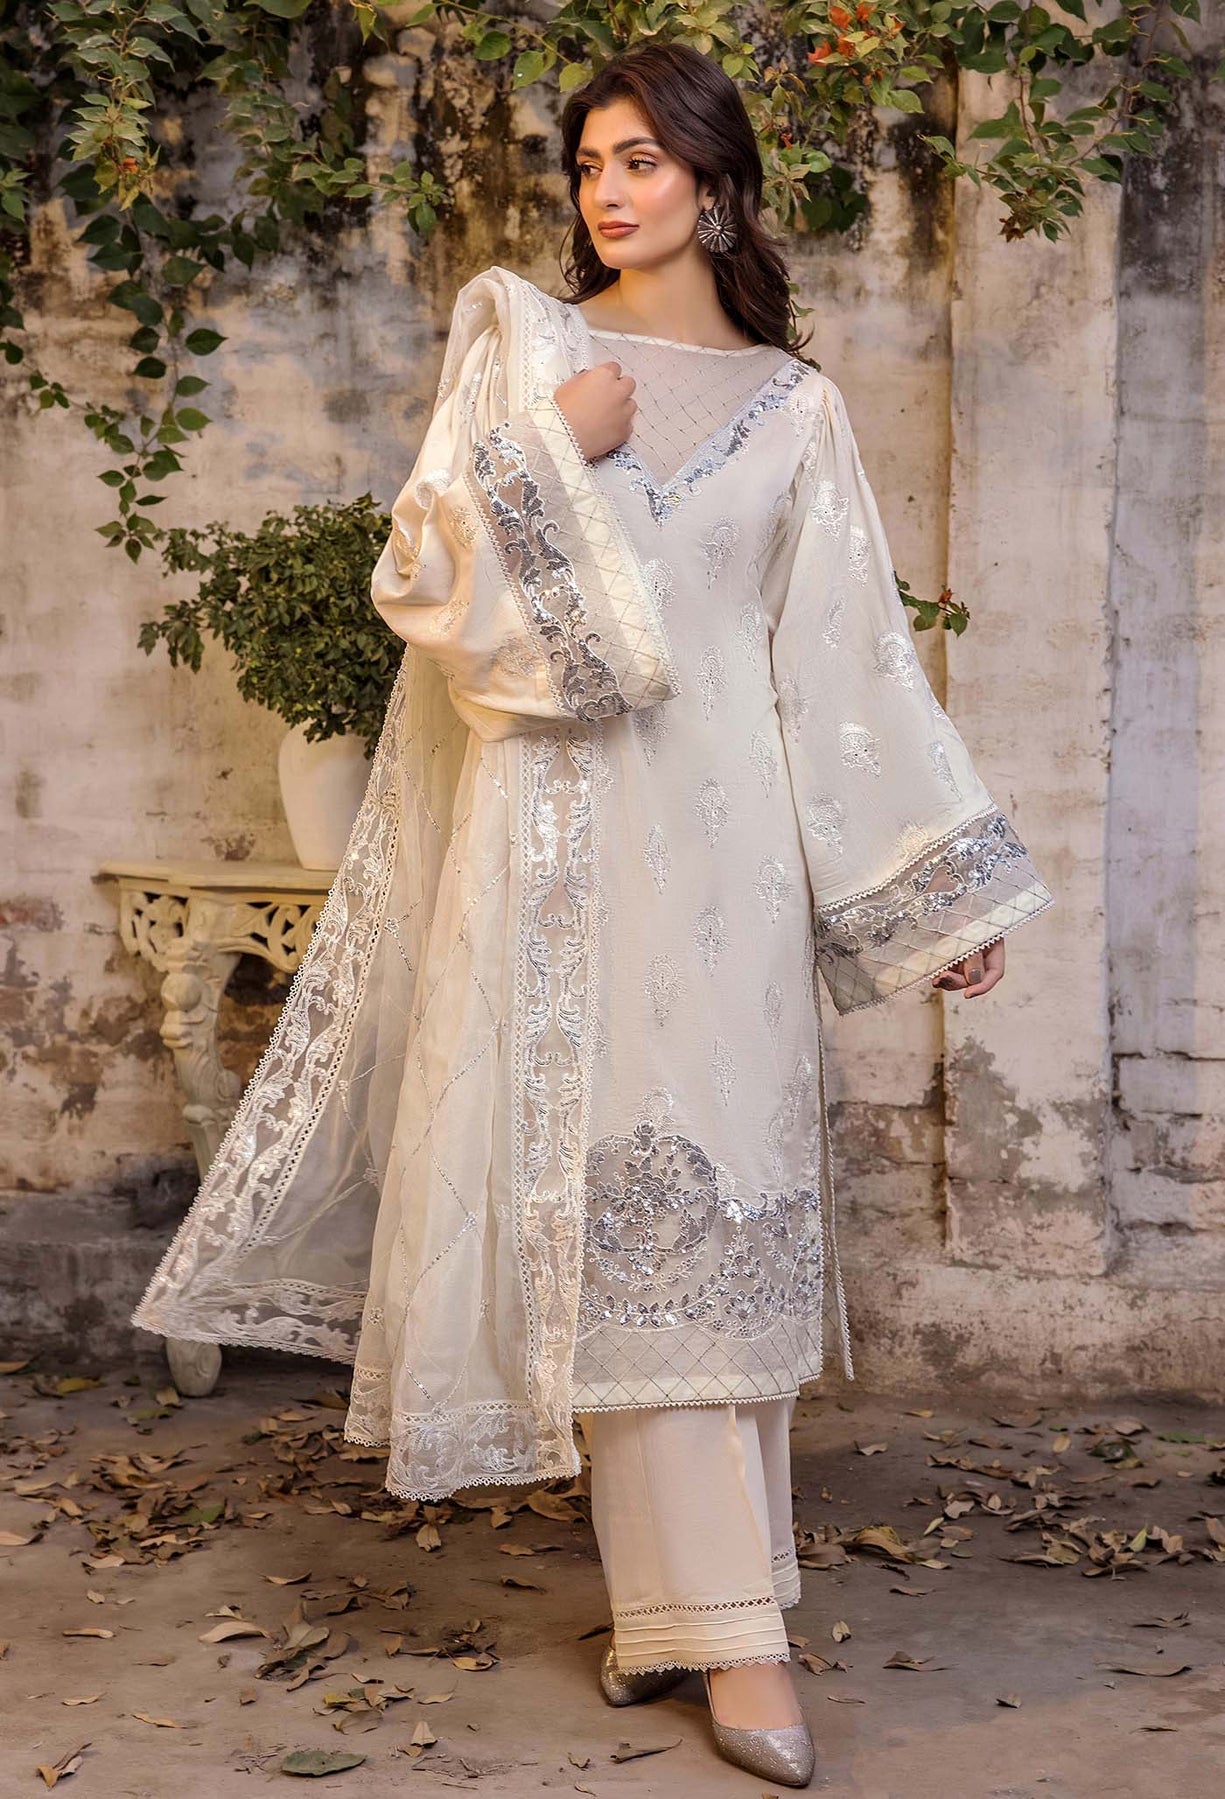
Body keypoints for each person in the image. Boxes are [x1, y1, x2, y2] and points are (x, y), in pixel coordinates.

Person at [131, 40, 1053, 1789]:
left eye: (642, 160)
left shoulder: (796, 410)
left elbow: (839, 665)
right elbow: (419, 580)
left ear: (715, 181)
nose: (608, 192)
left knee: (714, 1209)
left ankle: (689, 1616)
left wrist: (925, 888)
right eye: (587, 164)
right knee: (614, 1223)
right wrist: (549, 448)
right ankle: (724, 1629)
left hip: (724, 863)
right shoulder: (526, 351)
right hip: (553, 859)